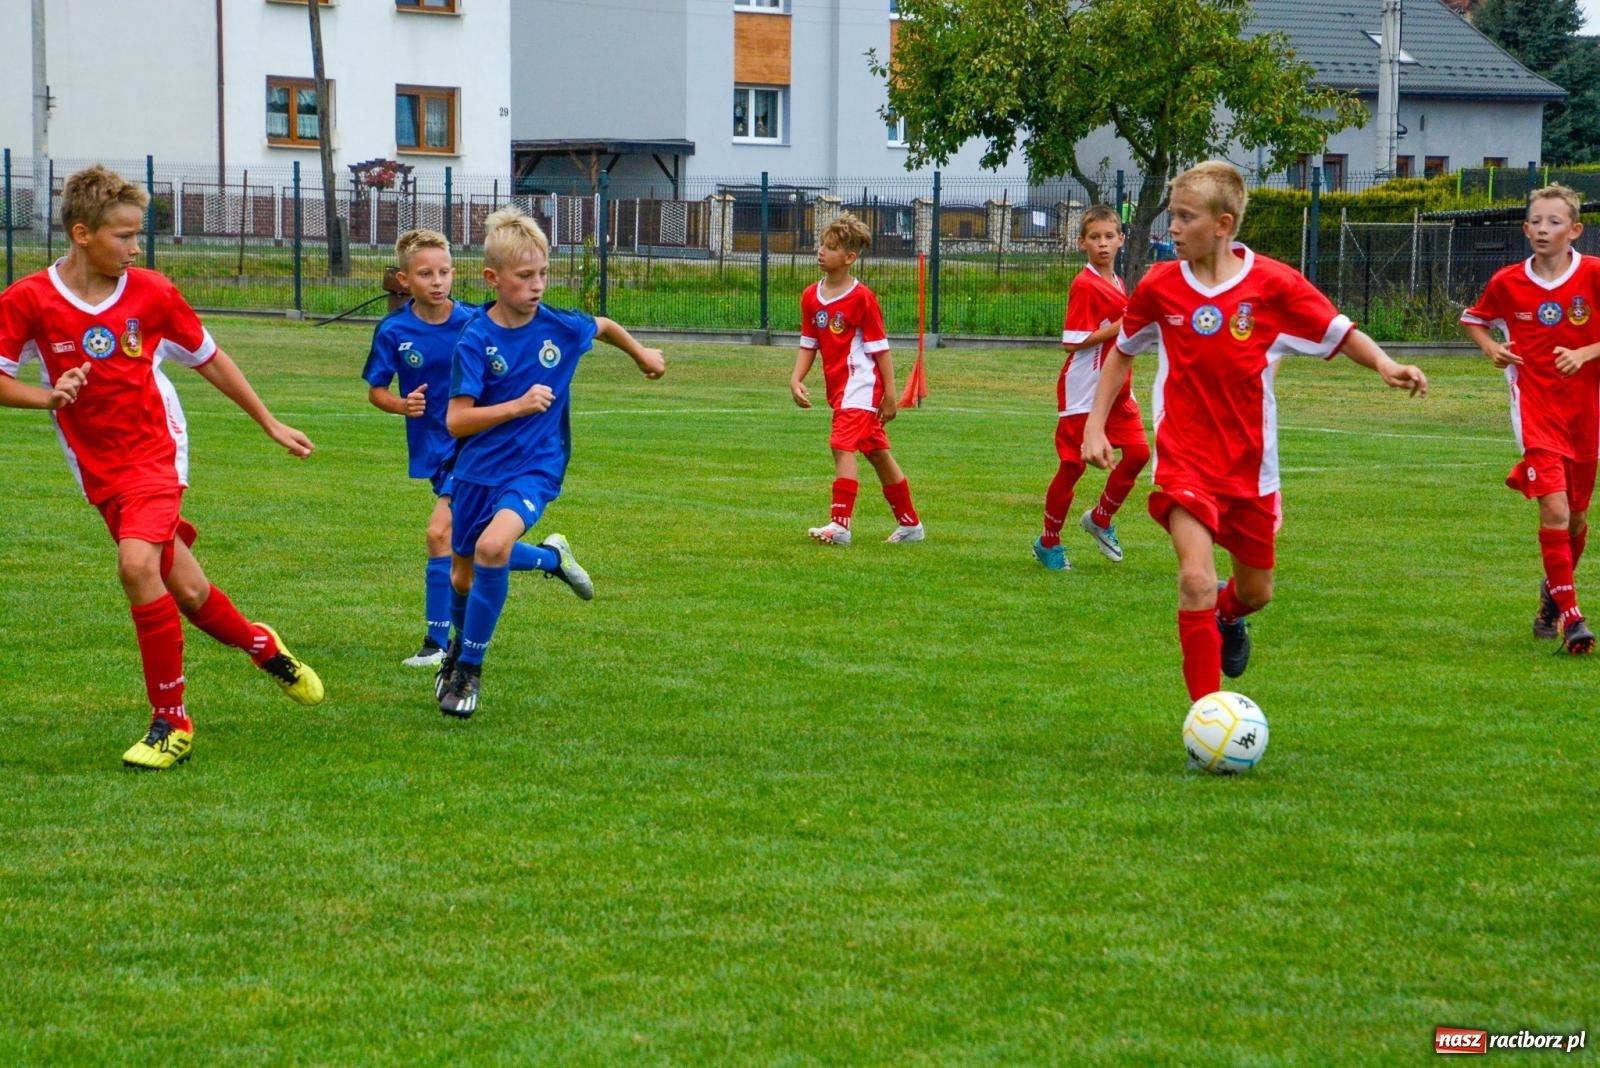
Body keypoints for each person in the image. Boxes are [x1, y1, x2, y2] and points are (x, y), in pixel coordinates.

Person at [0, 164, 324, 770]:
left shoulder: (152, 292)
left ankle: (170, 722)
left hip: (156, 452)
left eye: (137, 235)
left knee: (134, 565)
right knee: (190, 591)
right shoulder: (29, 300)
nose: (134, 247)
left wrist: (269, 421)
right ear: (81, 233)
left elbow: (210, 357)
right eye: (123, 236)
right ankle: (262, 645)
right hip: (97, 471)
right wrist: (48, 395)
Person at [1083, 160, 1427, 702]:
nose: (1171, 227)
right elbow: (1121, 354)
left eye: (1184, 217)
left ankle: (1229, 614)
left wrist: (1386, 364)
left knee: (1256, 591)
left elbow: (1338, 330)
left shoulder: (1273, 284)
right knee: (1194, 579)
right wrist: (1094, 427)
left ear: (1222, 225)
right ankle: (1205, 715)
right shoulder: (1160, 285)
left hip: (1249, 467)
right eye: (1171, 215)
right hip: (1185, 457)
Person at [436, 206, 665, 718]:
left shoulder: (559, 327)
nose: (537, 285)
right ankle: (462, 644)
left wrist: (642, 354)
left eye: (543, 274)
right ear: (493, 278)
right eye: (525, 277)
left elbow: (602, 325)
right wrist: (517, 405)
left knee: (495, 547)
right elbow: (456, 421)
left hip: (536, 465)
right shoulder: (476, 339)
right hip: (476, 470)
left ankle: (470, 671)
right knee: (462, 576)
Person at [363, 229, 567, 668]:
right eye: (425, 274)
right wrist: (401, 404)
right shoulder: (394, 329)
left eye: (444, 272)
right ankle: (550, 559)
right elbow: (376, 391)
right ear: (403, 280)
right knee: (470, 551)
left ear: (456, 273)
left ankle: (438, 645)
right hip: (433, 448)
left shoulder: (477, 322)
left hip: (475, 448)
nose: (437, 281)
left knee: (441, 534)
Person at [1461, 183, 1600, 655]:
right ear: (1525, 228)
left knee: (1577, 518)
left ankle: (1552, 593)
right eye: (1536, 221)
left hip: (1587, 417)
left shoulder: (1594, 275)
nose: (1543, 229)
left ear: (1575, 229)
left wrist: (1586, 352)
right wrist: (1492, 348)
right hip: (1536, 411)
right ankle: (1572, 616)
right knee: (1555, 510)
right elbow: (1474, 319)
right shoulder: (1507, 282)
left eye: (1554, 221)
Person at [790, 212, 924, 547]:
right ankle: (910, 525)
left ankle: (840, 525)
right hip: (841, 390)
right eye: (821, 244)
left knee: (841, 445)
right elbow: (810, 343)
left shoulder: (862, 298)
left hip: (861, 386)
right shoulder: (811, 296)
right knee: (877, 453)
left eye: (830, 247)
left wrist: (890, 394)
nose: (821, 251)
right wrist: (796, 379)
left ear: (849, 258)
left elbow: (881, 349)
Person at [1034, 204, 1150, 571]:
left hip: (1117, 386)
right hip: (1084, 388)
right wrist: (1123, 325)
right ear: (1082, 243)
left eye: (1109, 237)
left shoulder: (1117, 282)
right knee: (1072, 466)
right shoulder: (1084, 284)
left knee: (1138, 454)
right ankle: (1048, 542)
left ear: (1121, 240)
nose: (1103, 244)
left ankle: (1100, 519)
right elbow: (1072, 341)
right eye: (1094, 237)